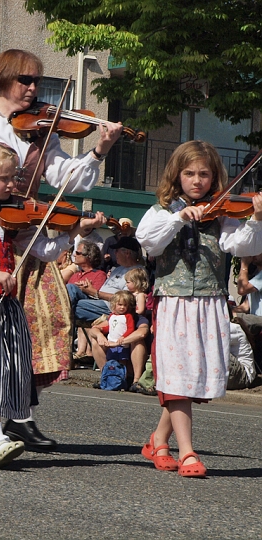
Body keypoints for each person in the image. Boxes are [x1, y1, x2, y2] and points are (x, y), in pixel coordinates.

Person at [0, 48, 122, 450]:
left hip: (25, 237)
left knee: (26, 332)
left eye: (37, 80)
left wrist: (98, 150)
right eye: (26, 80)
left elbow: (67, 179)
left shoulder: (40, 130)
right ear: (3, 80)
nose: (34, 88)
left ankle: (19, 414)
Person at [0, 142, 103, 468]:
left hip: (6, 306)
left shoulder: (12, 215)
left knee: (6, 369)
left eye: (14, 177)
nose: (12, 185)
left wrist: (72, 233)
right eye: (4, 178)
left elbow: (42, 250)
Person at [136, 140, 262, 478]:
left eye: (204, 174)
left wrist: (256, 219)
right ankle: (188, 452)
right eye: (189, 173)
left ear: (214, 176)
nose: (197, 180)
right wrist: (178, 217)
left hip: (209, 303)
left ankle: (158, 441)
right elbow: (148, 241)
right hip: (174, 302)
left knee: (192, 376)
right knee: (178, 377)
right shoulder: (163, 209)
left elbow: (243, 246)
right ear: (177, 175)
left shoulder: (222, 212)